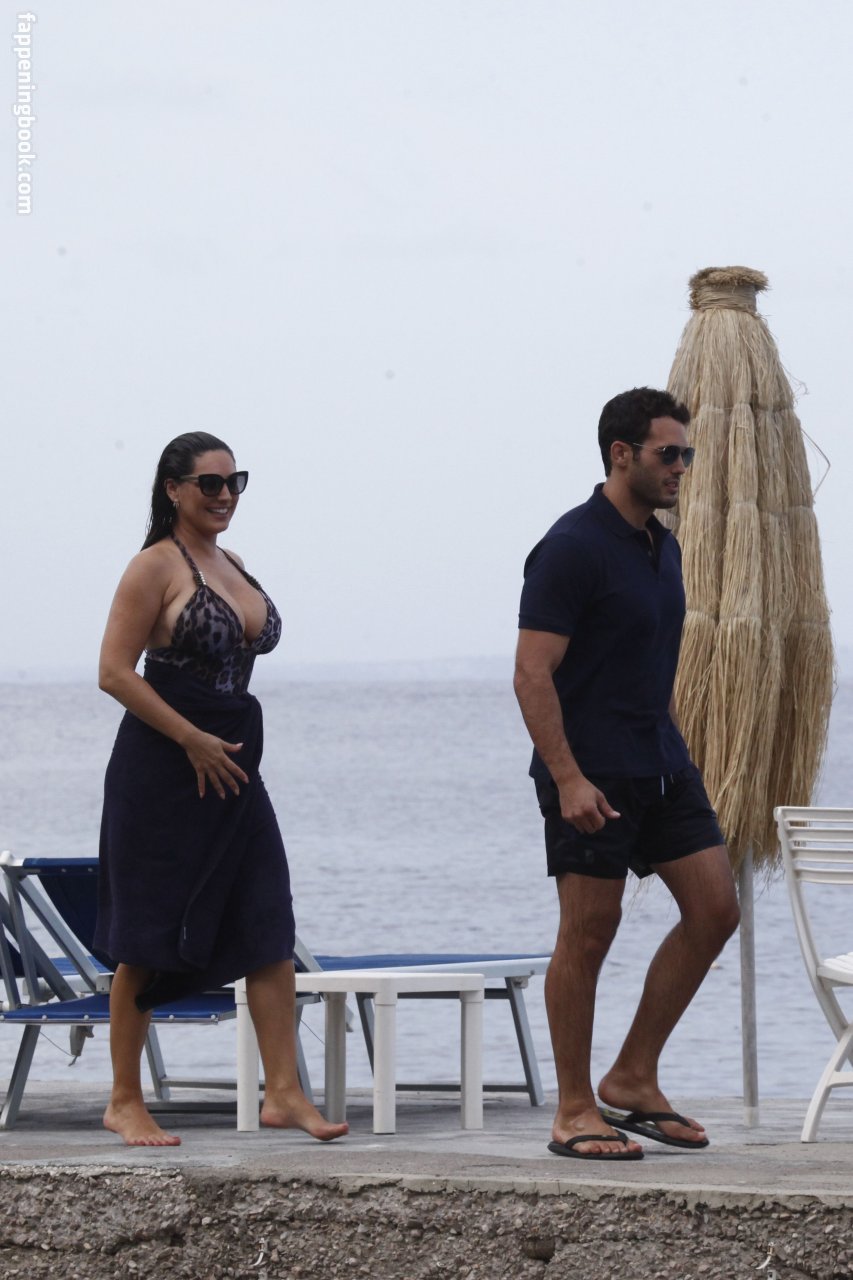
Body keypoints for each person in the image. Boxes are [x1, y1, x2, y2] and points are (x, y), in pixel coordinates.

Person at [95, 431, 348, 1147]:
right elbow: (113, 671)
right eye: (210, 483)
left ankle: (284, 1093)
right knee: (148, 931)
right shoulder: (153, 566)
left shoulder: (231, 563)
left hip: (233, 761)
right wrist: (190, 738)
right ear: (173, 488)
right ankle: (123, 1099)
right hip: (164, 765)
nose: (225, 495)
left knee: (267, 918)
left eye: (235, 481)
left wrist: (216, 743)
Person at [513, 387, 740, 1161]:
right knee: (587, 933)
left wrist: (677, 746)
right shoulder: (570, 546)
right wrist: (567, 779)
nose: (680, 467)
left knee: (714, 910)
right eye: (667, 454)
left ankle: (633, 1075)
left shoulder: (660, 545)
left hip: (662, 763)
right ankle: (573, 1108)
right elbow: (531, 674)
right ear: (620, 454)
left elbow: (647, 660)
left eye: (685, 454)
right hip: (592, 772)